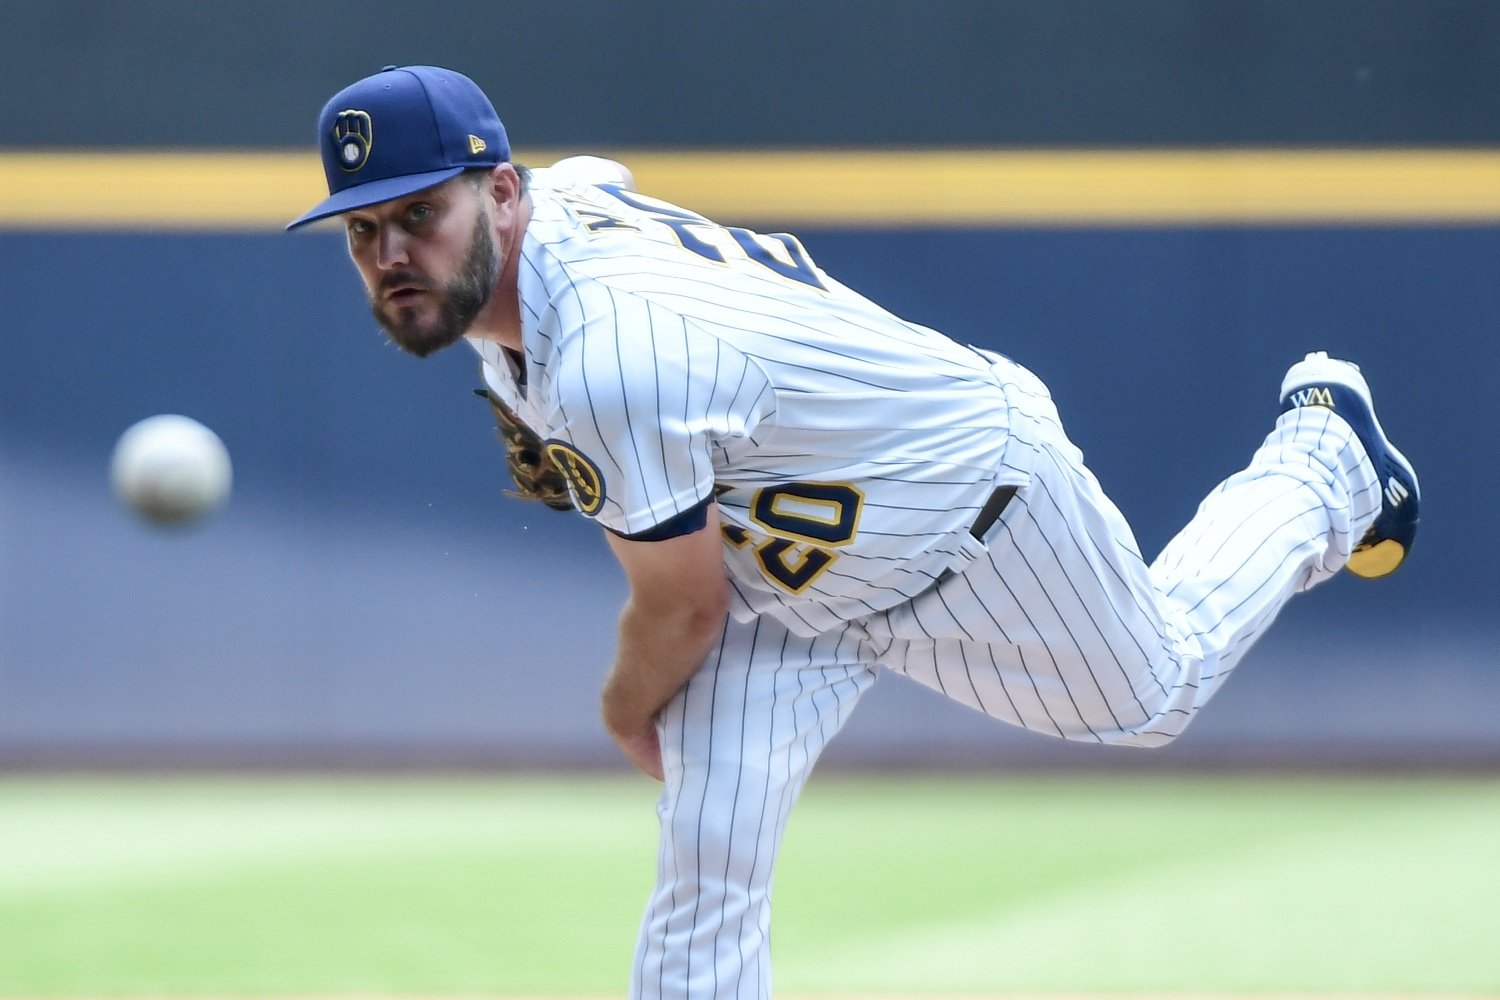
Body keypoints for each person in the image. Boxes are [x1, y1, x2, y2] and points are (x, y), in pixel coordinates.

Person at [288, 65, 1420, 999]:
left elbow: (680, 606)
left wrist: (626, 705)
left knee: (1154, 693)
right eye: (364, 230)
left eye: (420, 215)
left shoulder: (611, 359)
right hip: (789, 577)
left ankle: (1323, 460)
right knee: (706, 861)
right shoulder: (539, 241)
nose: (391, 255)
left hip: (969, 511)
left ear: (499, 192)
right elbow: (596, 176)